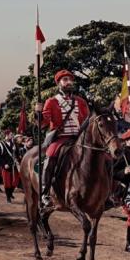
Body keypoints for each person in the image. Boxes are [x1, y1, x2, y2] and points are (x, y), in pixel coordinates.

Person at [35, 70, 89, 209]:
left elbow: (87, 121)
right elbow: (43, 123)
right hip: (61, 138)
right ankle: (45, 192)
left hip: (79, 139)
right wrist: (38, 114)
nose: (69, 82)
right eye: (65, 80)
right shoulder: (51, 102)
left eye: (70, 80)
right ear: (59, 83)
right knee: (50, 157)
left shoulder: (81, 101)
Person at [0, 130, 20, 203]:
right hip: (6, 167)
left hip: (14, 166)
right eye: (11, 135)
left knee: (15, 182)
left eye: (12, 135)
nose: (12, 136)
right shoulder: (1, 144)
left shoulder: (14, 144)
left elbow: (17, 155)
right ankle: (8, 197)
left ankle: (10, 193)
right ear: (6, 135)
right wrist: (4, 164)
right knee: (7, 183)